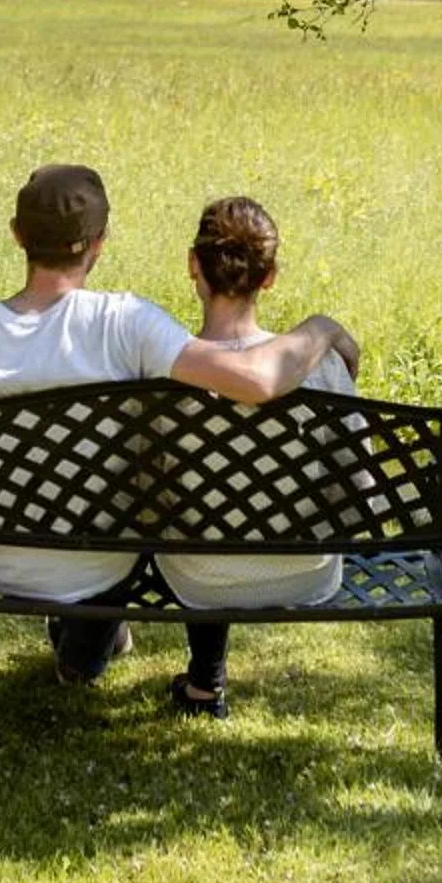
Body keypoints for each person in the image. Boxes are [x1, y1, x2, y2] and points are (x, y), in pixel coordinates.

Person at [0, 164, 359, 709]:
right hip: (103, 562)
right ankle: (115, 654)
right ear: (100, 243)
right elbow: (256, 379)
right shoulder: (125, 323)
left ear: (18, 235)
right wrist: (323, 329)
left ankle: (86, 651)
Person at [155, 194, 354, 719]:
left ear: (193, 265)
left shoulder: (165, 378)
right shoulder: (323, 370)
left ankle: (203, 685)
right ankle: (204, 682)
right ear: (270, 277)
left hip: (196, 574)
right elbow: (351, 489)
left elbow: (149, 493)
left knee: (198, 523)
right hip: (305, 571)